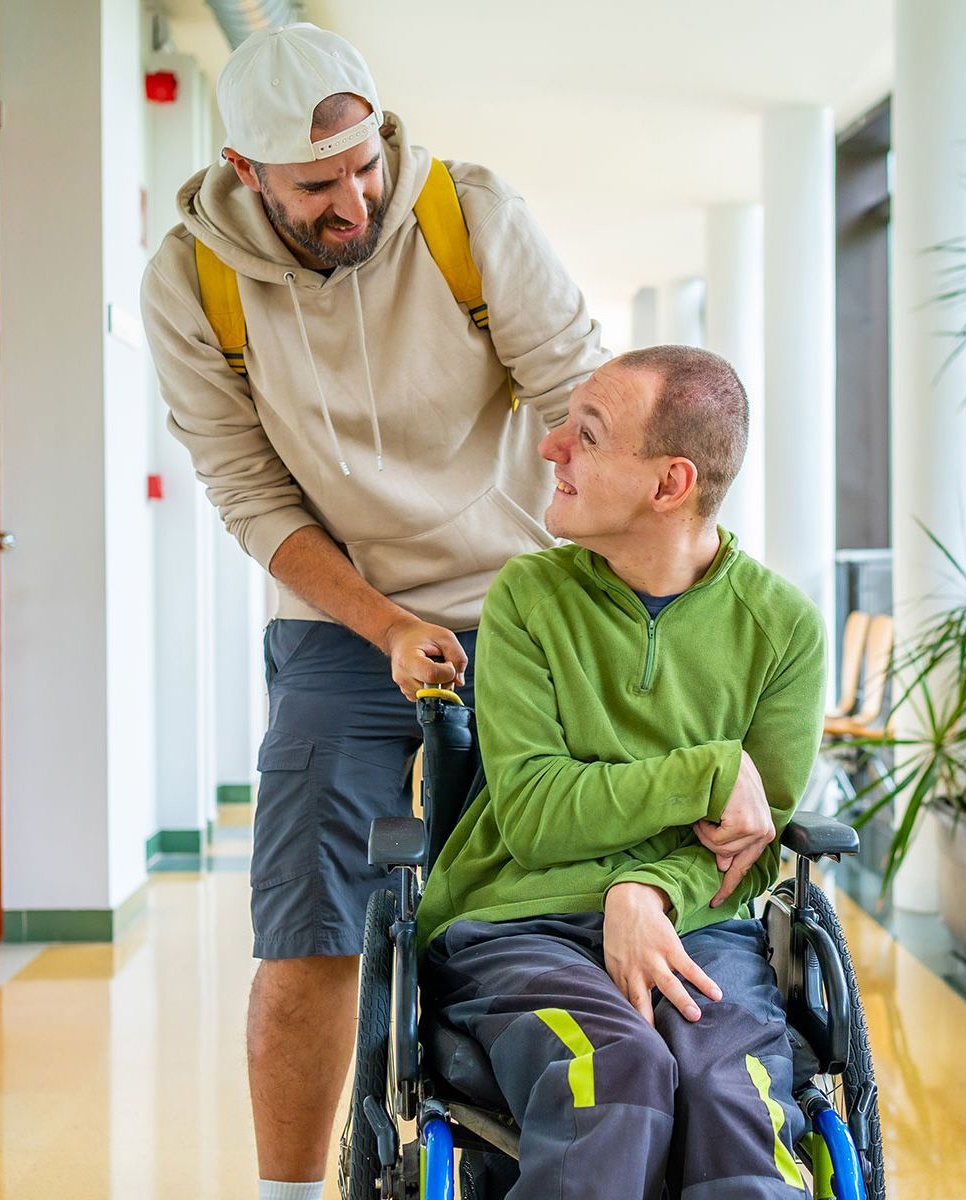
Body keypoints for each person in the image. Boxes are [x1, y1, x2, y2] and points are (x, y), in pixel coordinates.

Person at [139, 21, 606, 1198]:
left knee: (557, 892)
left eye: (363, 166)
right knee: (306, 930)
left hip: (523, 597)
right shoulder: (191, 284)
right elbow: (249, 494)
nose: (354, 198)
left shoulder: (468, 218)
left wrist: (609, 586)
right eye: (316, 184)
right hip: (344, 619)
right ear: (246, 172)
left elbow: (580, 400)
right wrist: (385, 624)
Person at [417, 347, 827, 1199]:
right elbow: (532, 815)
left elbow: (750, 841)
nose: (551, 447)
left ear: (668, 485)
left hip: (698, 929)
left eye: (587, 435)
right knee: (609, 1075)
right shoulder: (529, 598)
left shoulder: (781, 628)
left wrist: (644, 892)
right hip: (517, 924)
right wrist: (708, 773)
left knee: (732, 1098)